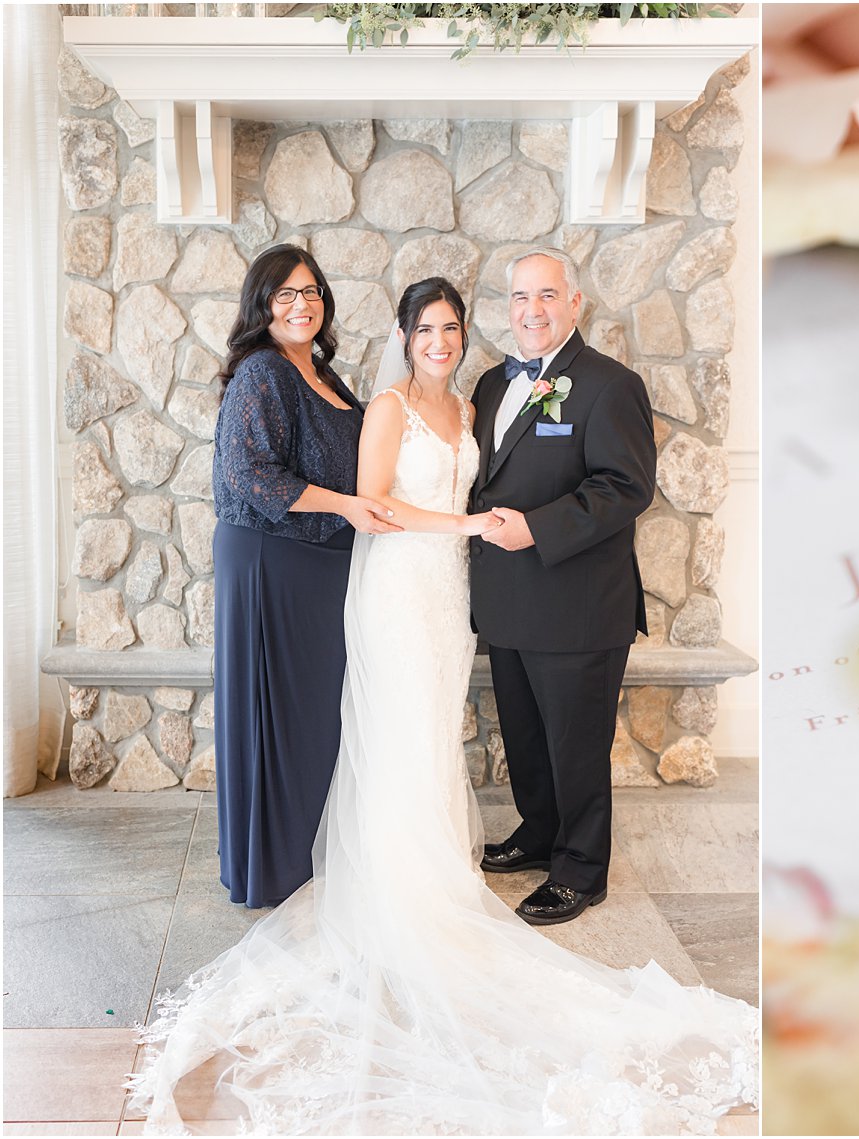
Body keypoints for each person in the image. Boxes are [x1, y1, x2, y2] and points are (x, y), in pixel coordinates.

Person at [128, 277, 758, 1135]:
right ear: (403, 334)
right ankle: (406, 879)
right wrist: (468, 530)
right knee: (400, 731)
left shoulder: (489, 401)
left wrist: (484, 536)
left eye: (451, 326)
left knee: (431, 734)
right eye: (426, 327)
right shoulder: (389, 405)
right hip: (400, 590)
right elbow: (377, 506)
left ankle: (541, 858)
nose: (441, 339)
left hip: (462, 597)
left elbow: (595, 485)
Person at [471, 248, 657, 925]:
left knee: (575, 745)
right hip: (509, 603)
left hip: (578, 605)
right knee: (526, 738)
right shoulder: (492, 384)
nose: (533, 310)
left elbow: (627, 487)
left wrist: (539, 529)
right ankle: (539, 830)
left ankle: (580, 868)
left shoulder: (610, 385)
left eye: (547, 295)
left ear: (574, 302)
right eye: (521, 297)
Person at [210, 244, 399, 909]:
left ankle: (307, 855)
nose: (301, 304)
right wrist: (348, 505)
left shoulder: (322, 370)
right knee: (279, 715)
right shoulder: (263, 372)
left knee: (316, 718)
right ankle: (274, 868)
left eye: (312, 291)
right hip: (270, 558)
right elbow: (253, 477)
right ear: (262, 305)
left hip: (320, 565)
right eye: (285, 294)